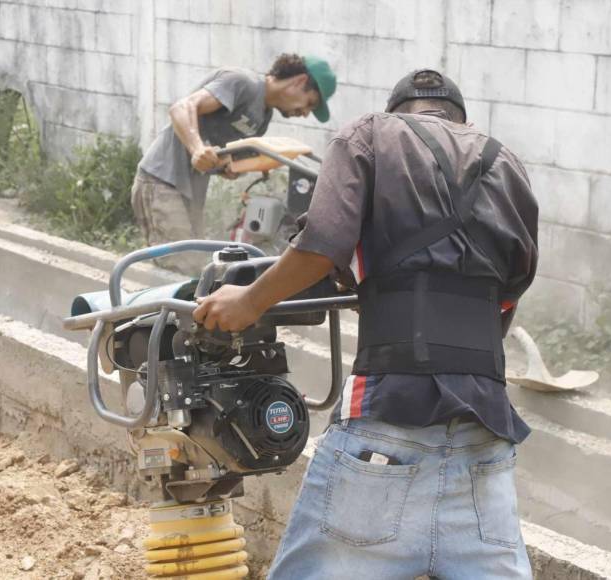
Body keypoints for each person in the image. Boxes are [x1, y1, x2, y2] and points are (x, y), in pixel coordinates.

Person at [193, 69, 539, 579]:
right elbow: (509, 292)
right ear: (463, 122)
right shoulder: (505, 161)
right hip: (485, 448)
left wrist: (249, 301)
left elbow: (322, 246)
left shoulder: (370, 134)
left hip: (386, 436)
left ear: (400, 110)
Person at [131, 53, 336, 272]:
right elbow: (182, 108)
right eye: (310, 103)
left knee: (197, 268)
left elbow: (221, 157)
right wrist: (197, 148)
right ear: (300, 81)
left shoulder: (263, 117)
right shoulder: (242, 82)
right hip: (162, 180)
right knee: (182, 266)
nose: (305, 114)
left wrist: (229, 168)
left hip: (190, 191)